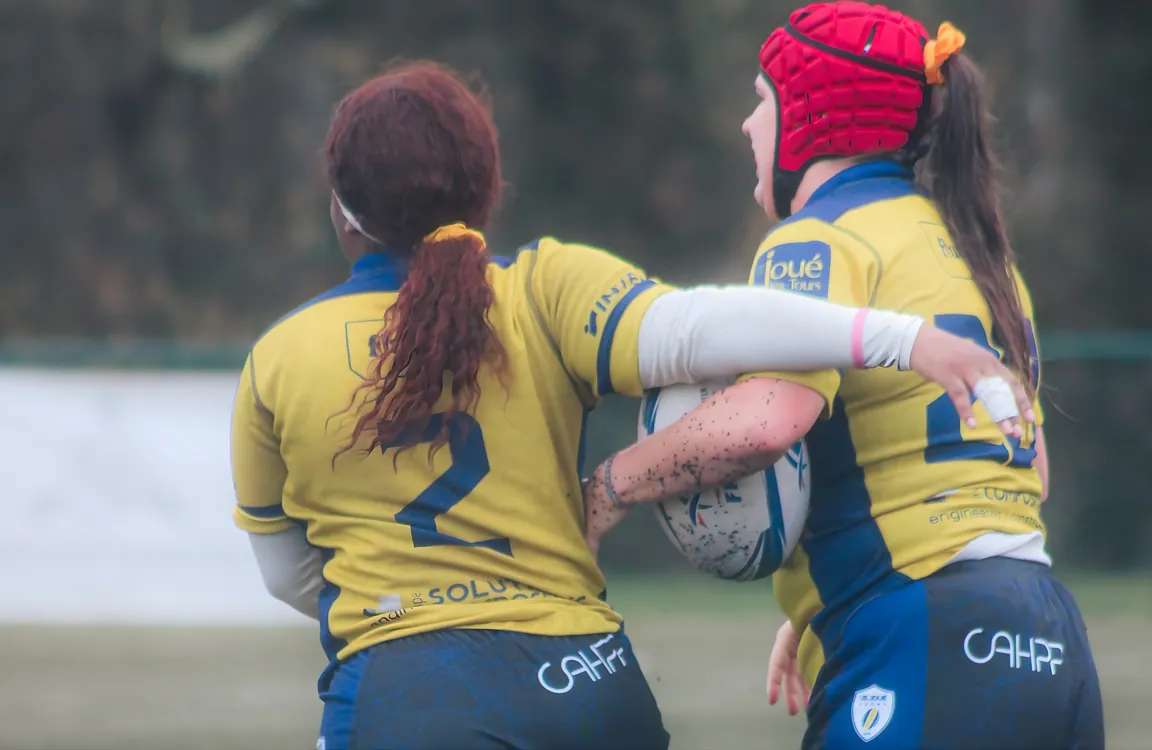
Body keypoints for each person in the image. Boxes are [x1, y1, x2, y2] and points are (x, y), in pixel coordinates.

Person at [231, 60, 1034, 750]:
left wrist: (424, 598)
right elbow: (712, 326)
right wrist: (904, 339)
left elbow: (289, 575)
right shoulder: (545, 288)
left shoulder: (277, 359)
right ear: (486, 189)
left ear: (341, 206)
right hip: (587, 684)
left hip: (409, 691)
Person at [582, 5, 1103, 749]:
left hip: (924, 631)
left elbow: (767, 419)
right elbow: (1031, 474)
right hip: (1048, 633)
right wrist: (824, 598)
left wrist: (610, 486)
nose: (747, 127)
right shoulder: (983, 253)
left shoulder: (815, 240)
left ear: (809, 118)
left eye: (762, 103)